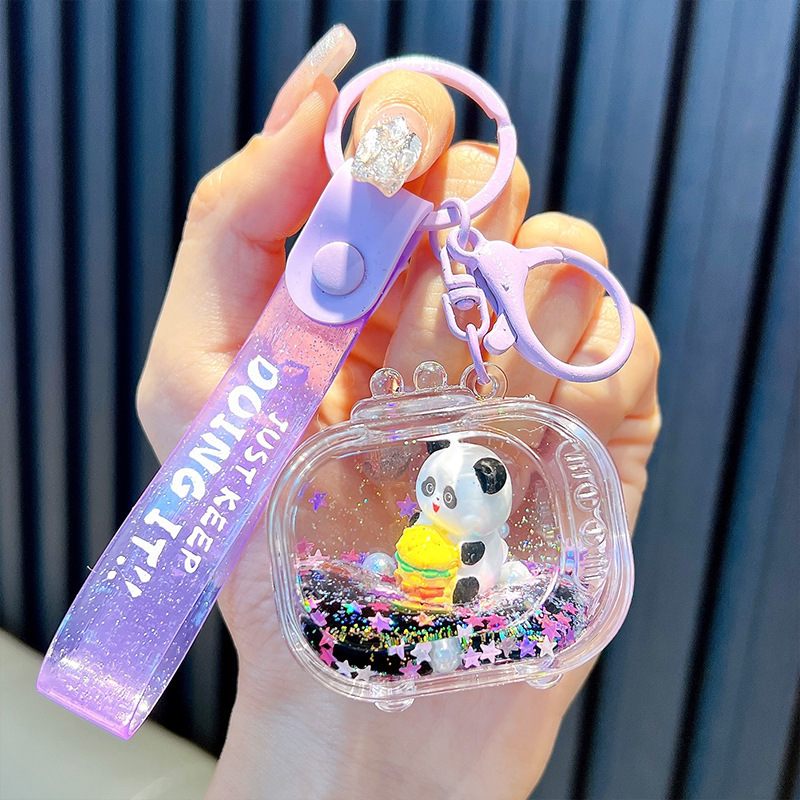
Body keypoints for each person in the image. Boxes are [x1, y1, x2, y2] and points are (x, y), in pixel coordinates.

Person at [136, 24, 661, 800]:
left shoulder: (486, 543)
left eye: (447, 492)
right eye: (435, 489)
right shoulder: (401, 539)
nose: (434, 499)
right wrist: (316, 737)